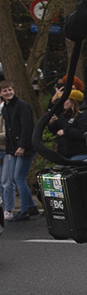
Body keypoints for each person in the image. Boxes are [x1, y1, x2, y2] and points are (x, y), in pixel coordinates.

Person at [0, 80, 37, 221]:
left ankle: (24, 209)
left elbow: (27, 128)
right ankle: (32, 206)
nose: (8, 93)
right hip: (14, 149)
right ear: (1, 94)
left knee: (18, 177)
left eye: (9, 90)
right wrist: (10, 151)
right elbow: (9, 132)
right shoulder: (6, 109)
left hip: (25, 148)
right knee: (17, 178)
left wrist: (22, 146)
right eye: (4, 91)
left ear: (13, 90)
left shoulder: (22, 106)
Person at [48, 90, 87, 163]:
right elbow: (57, 130)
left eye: (65, 100)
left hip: (80, 153)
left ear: (73, 101)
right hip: (64, 154)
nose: (63, 102)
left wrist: (66, 132)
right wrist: (52, 124)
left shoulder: (84, 115)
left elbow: (85, 132)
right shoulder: (65, 115)